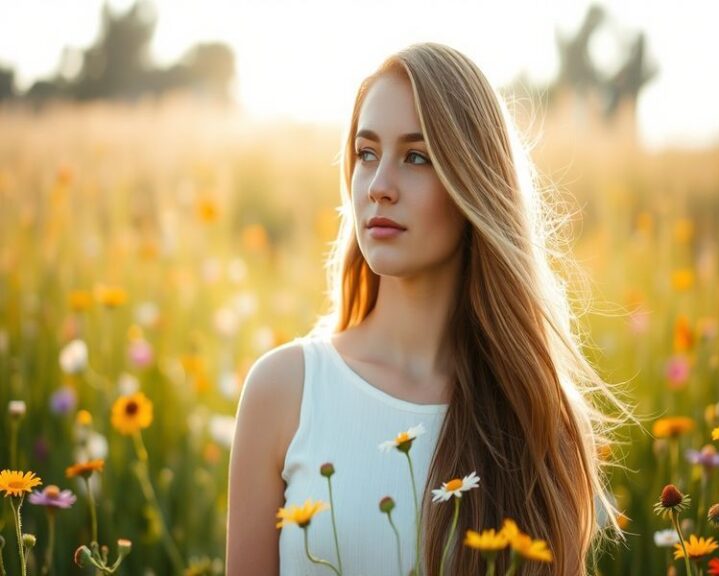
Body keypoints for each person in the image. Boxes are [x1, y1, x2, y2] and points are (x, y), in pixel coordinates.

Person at [226, 42, 627, 576]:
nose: (379, 187)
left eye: (417, 157)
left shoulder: (537, 416)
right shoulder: (285, 392)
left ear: (475, 184)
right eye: (367, 154)